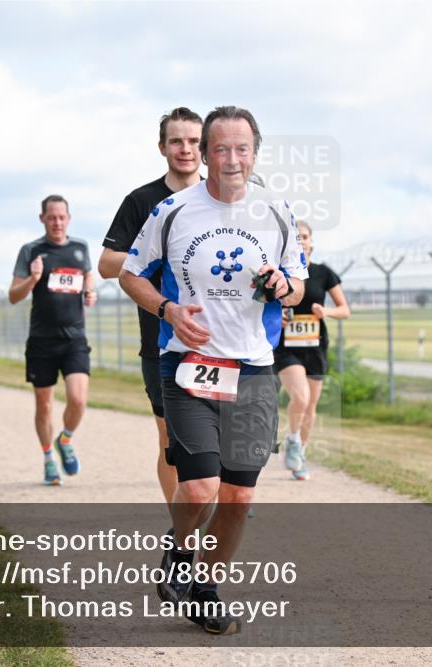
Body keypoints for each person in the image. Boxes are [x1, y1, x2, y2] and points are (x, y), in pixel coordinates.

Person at [120, 106, 307, 635]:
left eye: (241, 148)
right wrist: (167, 309)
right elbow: (131, 275)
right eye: (219, 149)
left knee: (239, 496)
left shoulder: (275, 211)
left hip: (252, 369)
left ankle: (207, 587)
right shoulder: (173, 210)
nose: (231, 159)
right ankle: (180, 552)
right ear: (204, 154)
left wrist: (282, 286)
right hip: (187, 363)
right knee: (200, 486)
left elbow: (297, 280)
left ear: (254, 152)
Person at [98, 107, 203, 504]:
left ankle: (219, 504)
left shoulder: (222, 198)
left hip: (218, 338)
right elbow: (107, 264)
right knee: (170, 439)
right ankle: (183, 525)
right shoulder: (141, 201)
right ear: (162, 147)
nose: (185, 149)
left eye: (194, 141)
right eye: (176, 141)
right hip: (160, 340)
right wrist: (151, 257)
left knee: (222, 434)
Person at [9, 194, 97, 486]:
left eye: (62, 217)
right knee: (44, 405)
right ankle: (48, 458)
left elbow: (87, 275)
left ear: (68, 219)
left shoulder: (80, 247)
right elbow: (13, 296)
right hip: (42, 341)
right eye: (51, 217)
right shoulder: (31, 251)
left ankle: (65, 439)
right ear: (42, 219)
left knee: (78, 398)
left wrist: (90, 290)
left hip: (74, 338)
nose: (57, 222)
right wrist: (32, 280)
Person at [274, 221, 350, 480]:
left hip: (315, 345)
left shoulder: (323, 273)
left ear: (311, 241)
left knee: (310, 407)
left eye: (304, 236)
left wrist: (325, 311)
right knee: (301, 397)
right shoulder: (280, 273)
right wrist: (277, 317)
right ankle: (293, 439)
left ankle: (300, 454)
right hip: (286, 347)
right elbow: (262, 304)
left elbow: (344, 309)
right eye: (296, 237)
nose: (301, 241)